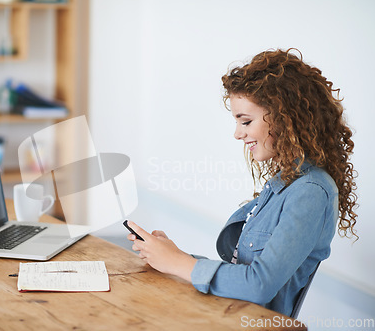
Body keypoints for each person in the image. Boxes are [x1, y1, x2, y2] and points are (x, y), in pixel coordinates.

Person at [127, 48, 358, 316]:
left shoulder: (310, 192)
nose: (237, 134)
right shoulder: (284, 183)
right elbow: (242, 272)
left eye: (245, 121)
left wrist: (179, 264)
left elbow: (259, 284)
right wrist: (176, 257)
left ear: (285, 119)